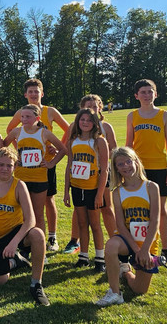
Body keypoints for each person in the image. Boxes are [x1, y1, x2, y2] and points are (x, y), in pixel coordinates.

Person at [0, 147, 50, 305]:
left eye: (9, 165)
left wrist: (14, 243)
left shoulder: (19, 185)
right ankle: (16, 261)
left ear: (15, 167)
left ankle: (36, 283)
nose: (4, 169)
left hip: (14, 233)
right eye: (1, 164)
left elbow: (30, 220)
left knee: (38, 235)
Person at [96, 147, 164, 306]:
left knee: (139, 290)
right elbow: (120, 224)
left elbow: (154, 221)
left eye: (128, 161)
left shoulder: (151, 187)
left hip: (148, 242)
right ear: (116, 169)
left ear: (136, 162)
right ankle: (115, 292)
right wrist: (137, 250)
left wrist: (145, 250)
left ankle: (125, 271)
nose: (125, 166)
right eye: (120, 164)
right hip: (127, 242)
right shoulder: (118, 192)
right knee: (111, 246)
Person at [6, 79, 69, 252]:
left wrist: (54, 149)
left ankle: (52, 237)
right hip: (25, 168)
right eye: (30, 91)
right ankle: (24, 240)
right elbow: (9, 131)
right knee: (22, 205)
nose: (33, 94)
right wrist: (17, 152)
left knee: (48, 201)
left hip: (45, 165)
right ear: (26, 95)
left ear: (42, 93)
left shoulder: (50, 111)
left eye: (36, 91)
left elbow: (68, 129)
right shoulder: (22, 113)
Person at [126, 79, 167, 264]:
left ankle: (165, 250)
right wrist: (125, 166)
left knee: (161, 209)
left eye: (150, 91)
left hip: (159, 167)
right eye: (143, 92)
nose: (147, 95)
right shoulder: (132, 116)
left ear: (156, 94)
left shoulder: (164, 115)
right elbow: (129, 143)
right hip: (138, 169)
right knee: (139, 208)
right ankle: (139, 248)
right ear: (136, 96)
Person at [64, 94, 118, 254]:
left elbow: (114, 150)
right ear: (81, 110)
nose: (91, 110)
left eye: (94, 107)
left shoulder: (105, 127)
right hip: (80, 180)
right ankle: (75, 241)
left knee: (105, 207)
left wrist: (104, 161)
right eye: (87, 107)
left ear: (99, 108)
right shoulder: (75, 127)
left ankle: (115, 241)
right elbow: (66, 147)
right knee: (80, 210)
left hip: (101, 174)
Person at [64, 109, 109, 272]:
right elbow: (69, 166)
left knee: (95, 224)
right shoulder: (73, 140)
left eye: (89, 120)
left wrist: (99, 194)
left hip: (92, 188)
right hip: (77, 188)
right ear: (77, 121)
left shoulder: (99, 141)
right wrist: (66, 191)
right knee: (82, 223)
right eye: (82, 119)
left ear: (95, 123)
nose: (85, 122)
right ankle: (83, 256)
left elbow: (105, 170)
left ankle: (100, 258)